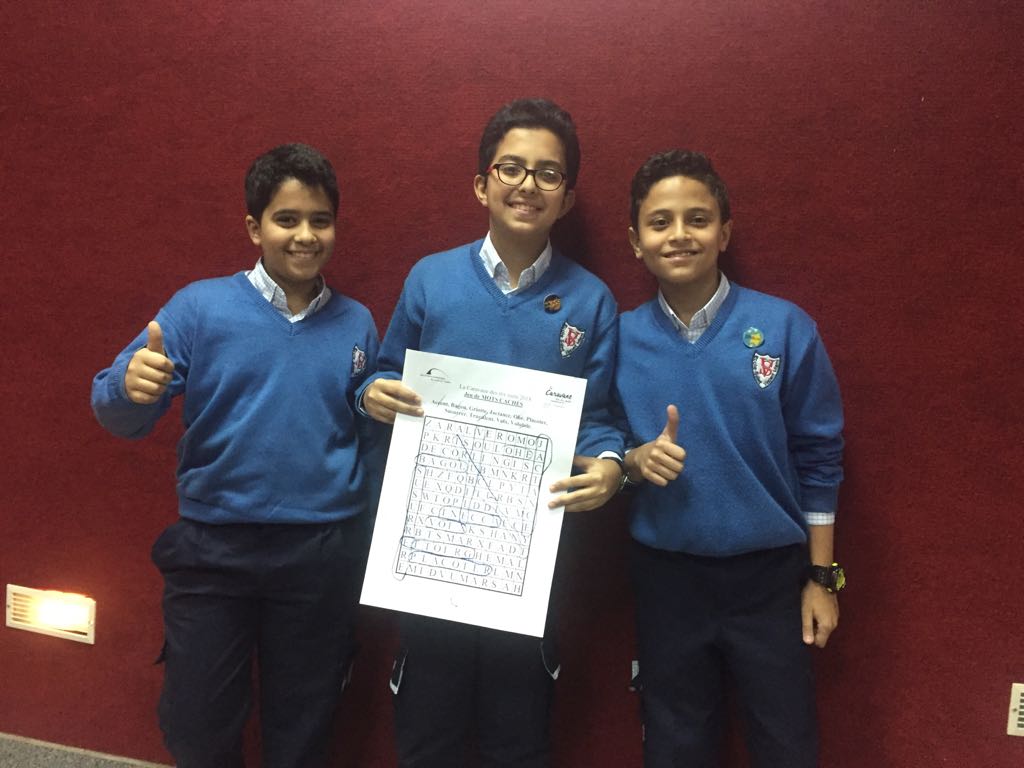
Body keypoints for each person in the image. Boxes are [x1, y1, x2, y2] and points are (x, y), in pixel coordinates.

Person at [91, 143, 382, 768]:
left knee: (303, 729)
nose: (305, 235)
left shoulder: (358, 323)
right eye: (286, 219)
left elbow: (362, 427)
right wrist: (129, 387)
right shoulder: (198, 308)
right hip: (212, 551)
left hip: (318, 555)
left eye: (321, 220)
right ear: (254, 227)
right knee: (195, 725)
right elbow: (119, 415)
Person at [358, 98, 624, 768]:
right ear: (482, 184)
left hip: (528, 562)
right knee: (428, 734)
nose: (527, 185)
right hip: (431, 554)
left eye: (547, 173)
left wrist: (610, 464)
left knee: (518, 738)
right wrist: (372, 394)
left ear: (567, 197)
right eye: (511, 168)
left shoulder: (591, 300)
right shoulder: (431, 278)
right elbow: (385, 372)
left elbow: (598, 417)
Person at [616, 149, 846, 768]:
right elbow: (594, 436)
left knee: (786, 743)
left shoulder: (786, 328)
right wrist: (632, 460)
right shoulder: (619, 338)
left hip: (770, 580)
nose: (679, 234)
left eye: (698, 218)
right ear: (635, 242)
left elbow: (820, 458)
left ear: (724, 232)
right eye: (659, 222)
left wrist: (821, 577)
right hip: (666, 578)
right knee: (675, 746)